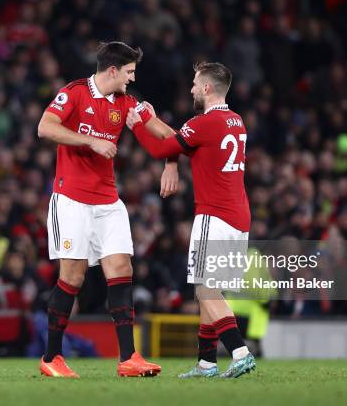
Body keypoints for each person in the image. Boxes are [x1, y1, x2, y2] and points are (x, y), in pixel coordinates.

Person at [36, 41, 173, 378]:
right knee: (73, 276)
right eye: (129, 72)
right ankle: (51, 358)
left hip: (108, 201)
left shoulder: (126, 103)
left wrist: (172, 161)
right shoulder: (74, 93)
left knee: (121, 268)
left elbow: (163, 133)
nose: (132, 79)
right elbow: (45, 128)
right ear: (113, 70)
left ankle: (128, 357)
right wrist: (91, 141)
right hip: (71, 200)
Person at [126, 62, 256, 378]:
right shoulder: (235, 120)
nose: (192, 89)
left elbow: (161, 149)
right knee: (209, 290)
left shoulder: (205, 123)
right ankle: (207, 362)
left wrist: (137, 124)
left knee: (205, 289)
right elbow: (183, 145)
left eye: (196, 84)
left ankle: (240, 352)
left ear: (208, 88)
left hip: (215, 213)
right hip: (238, 215)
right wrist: (153, 120)